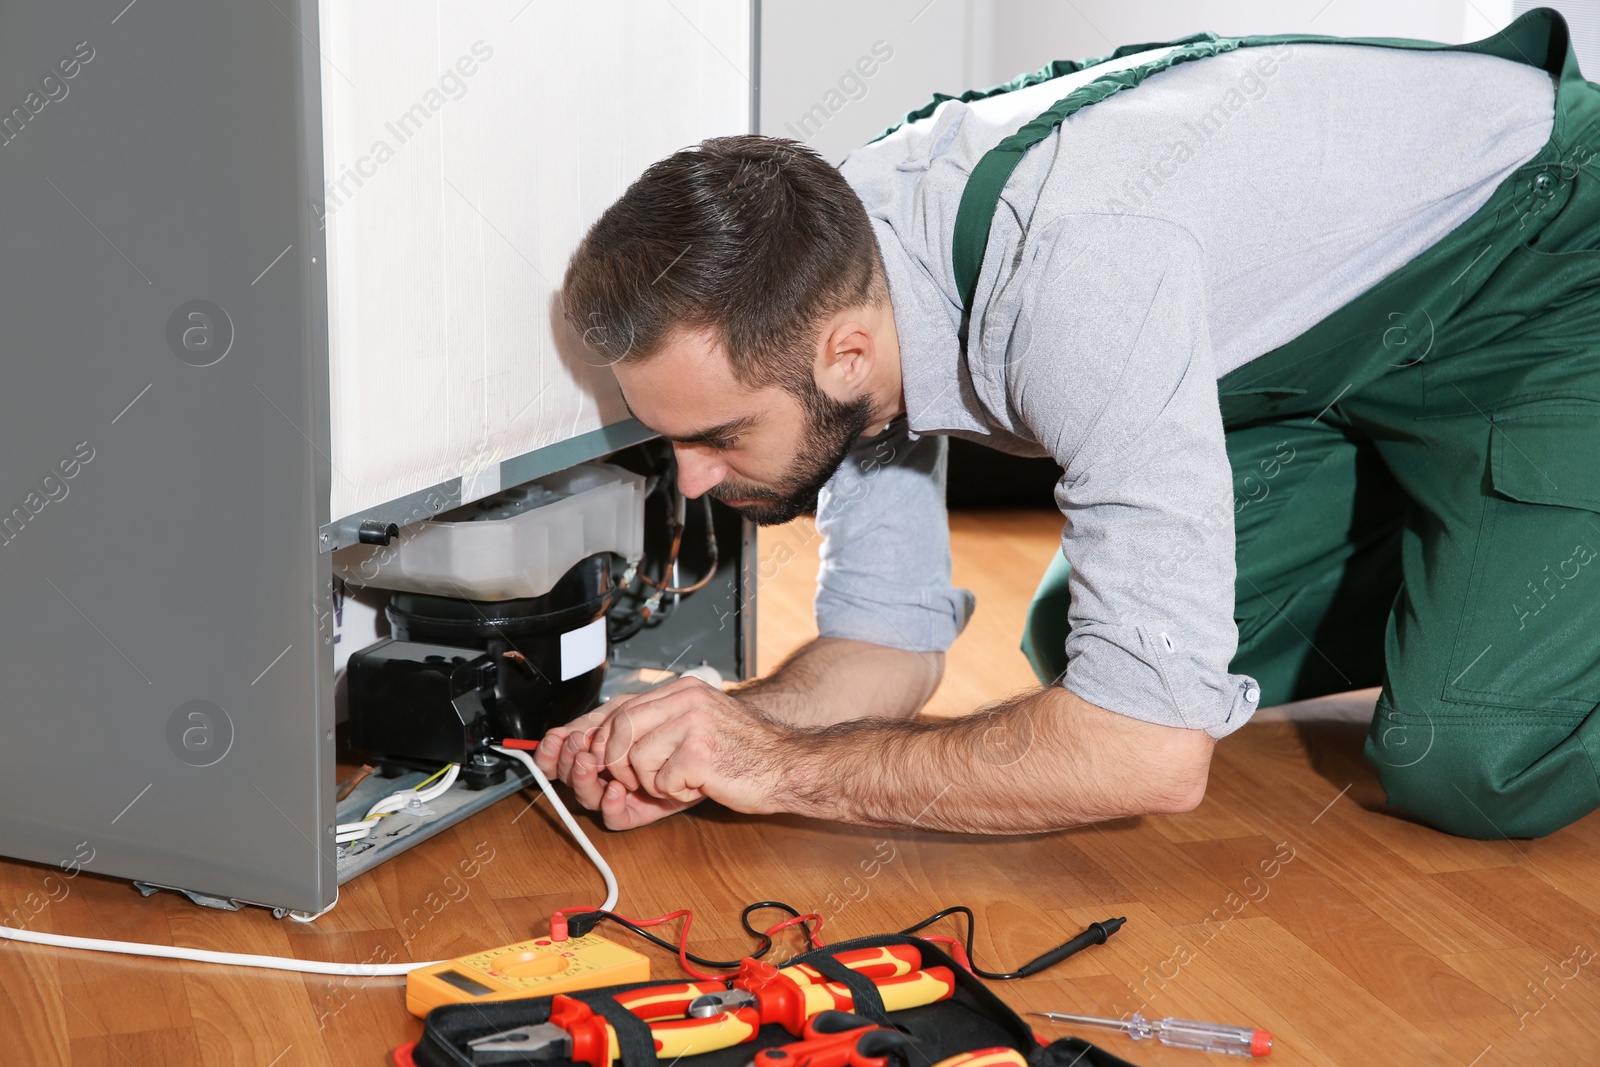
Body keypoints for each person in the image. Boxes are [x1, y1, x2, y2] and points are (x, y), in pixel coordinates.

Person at [535, 9, 1600, 839]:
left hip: (1548, 271)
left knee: (1470, 759)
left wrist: (774, 769)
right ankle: (1495, 550)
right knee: (1072, 641)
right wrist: (720, 733)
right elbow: (887, 640)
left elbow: (1145, 752)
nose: (687, 481)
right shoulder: (823, 272)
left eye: (718, 436)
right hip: (1344, 347)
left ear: (843, 355)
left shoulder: (1075, 276)